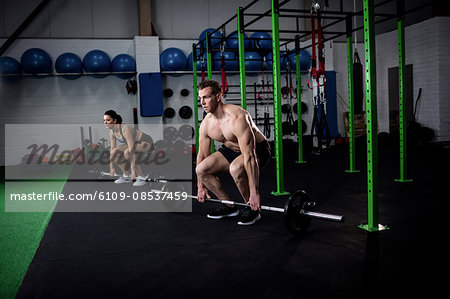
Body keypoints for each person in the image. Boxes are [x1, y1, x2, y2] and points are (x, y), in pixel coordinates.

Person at [196, 80, 271, 225]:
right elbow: (202, 155)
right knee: (201, 169)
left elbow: (250, 156)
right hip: (232, 150)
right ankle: (229, 206)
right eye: (200, 98)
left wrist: (255, 193)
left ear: (218, 96)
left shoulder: (238, 117)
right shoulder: (206, 124)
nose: (202, 102)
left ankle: (252, 207)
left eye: (206, 97)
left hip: (258, 149)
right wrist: (200, 186)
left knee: (235, 168)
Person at [104, 110, 154, 187]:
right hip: (134, 143)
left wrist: (133, 171)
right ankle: (127, 176)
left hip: (146, 142)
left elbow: (131, 151)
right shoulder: (112, 132)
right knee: (114, 152)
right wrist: (111, 167)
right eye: (104, 120)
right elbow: (112, 150)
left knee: (127, 152)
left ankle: (141, 177)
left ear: (114, 120)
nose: (105, 122)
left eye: (108, 120)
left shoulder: (125, 129)